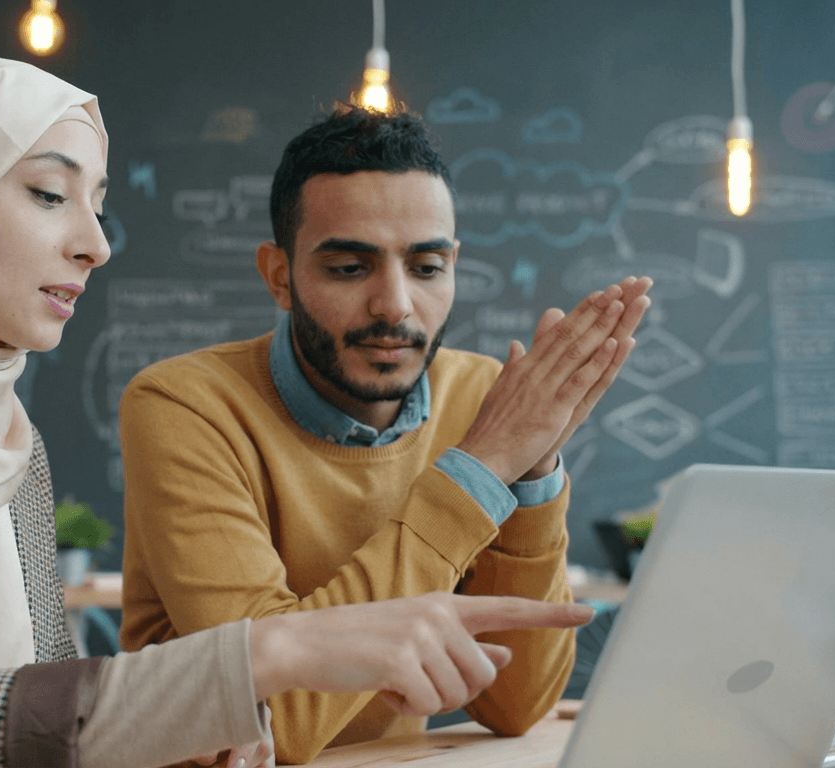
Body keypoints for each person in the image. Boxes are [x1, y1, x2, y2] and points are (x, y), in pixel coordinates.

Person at [0, 57, 596, 768]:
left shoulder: (8, 442)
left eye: (93, 204)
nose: (94, 242)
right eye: (50, 194)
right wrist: (280, 651)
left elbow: (61, 726)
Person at [118, 104, 653, 762]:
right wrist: (481, 469)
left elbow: (517, 707)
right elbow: (268, 715)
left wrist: (535, 470)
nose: (395, 305)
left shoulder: (484, 398)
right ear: (280, 276)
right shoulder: (182, 404)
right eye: (349, 268)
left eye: (426, 268)